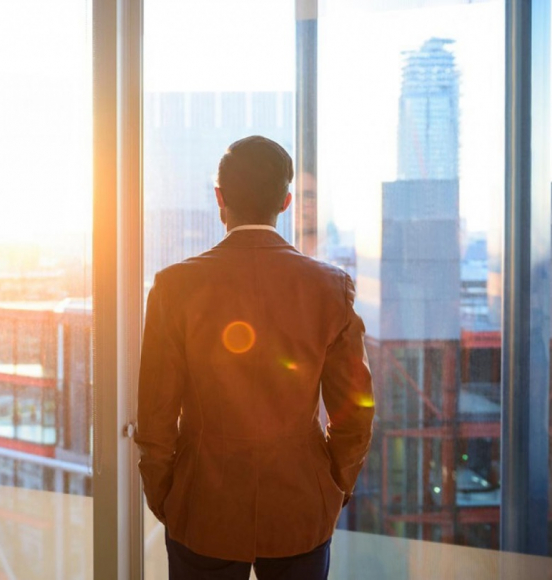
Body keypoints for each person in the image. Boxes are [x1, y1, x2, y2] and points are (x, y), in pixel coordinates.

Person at [135, 136, 375, 580]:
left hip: (201, 504)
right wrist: (335, 485)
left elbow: (155, 416)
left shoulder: (174, 287)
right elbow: (355, 414)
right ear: (285, 202)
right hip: (300, 506)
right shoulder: (330, 287)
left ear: (219, 198)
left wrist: (165, 493)